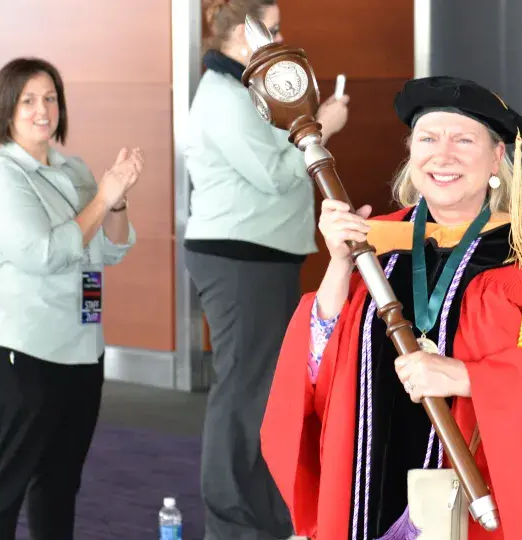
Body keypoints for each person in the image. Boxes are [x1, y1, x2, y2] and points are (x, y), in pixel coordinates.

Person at [260, 76, 522, 540]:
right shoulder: (376, 243)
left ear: (497, 157)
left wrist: (467, 378)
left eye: (464, 140)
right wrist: (341, 264)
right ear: (412, 154)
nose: (442, 155)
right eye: (428, 138)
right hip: (364, 484)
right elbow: (318, 360)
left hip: (475, 497)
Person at [183, 1, 350, 539]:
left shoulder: (244, 92)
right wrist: (320, 125)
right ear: (239, 36)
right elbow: (277, 175)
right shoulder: (225, 99)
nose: (280, 38)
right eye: (271, 30)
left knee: (261, 390)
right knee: (243, 392)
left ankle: (262, 511)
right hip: (239, 257)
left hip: (260, 255)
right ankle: (232, 521)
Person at [0, 57, 144, 540]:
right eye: (28, 100)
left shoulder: (73, 168)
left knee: (60, 483)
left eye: (50, 98)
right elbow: (45, 253)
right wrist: (103, 199)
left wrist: (118, 200)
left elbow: (110, 248)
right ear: (6, 110)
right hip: (19, 349)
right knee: (6, 483)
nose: (43, 110)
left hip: (80, 346)